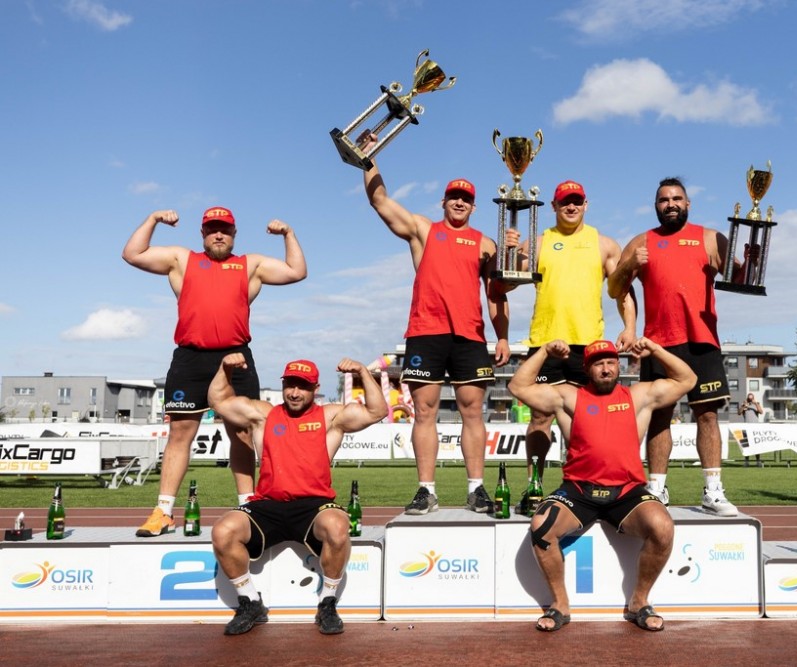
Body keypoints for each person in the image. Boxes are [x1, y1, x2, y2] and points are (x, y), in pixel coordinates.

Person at [122, 207, 307, 537]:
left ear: (234, 234)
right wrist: (152, 220)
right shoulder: (182, 260)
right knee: (180, 433)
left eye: (224, 229)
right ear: (203, 234)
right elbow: (132, 254)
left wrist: (288, 234)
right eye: (211, 229)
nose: (218, 234)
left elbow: (297, 271)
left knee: (242, 433)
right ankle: (163, 512)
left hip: (235, 357)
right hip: (190, 358)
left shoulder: (250, 265)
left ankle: (249, 507)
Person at [508, 338, 696, 632]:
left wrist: (656, 351)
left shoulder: (639, 396)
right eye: (598, 364)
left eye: (610, 363)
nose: (606, 369)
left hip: (626, 492)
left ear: (619, 366)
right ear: (588, 370)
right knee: (542, 526)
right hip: (579, 490)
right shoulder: (570, 397)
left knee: (662, 527)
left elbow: (688, 380)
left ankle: (639, 601)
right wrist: (543, 351)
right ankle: (560, 604)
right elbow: (518, 387)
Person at [362, 150, 510, 515]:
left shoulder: (485, 244)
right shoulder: (423, 230)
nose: (460, 202)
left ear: (473, 207)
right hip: (426, 332)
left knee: (472, 412)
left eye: (466, 199)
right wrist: (369, 160)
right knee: (425, 411)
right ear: (443, 202)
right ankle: (426, 490)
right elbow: (380, 200)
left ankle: (476, 489)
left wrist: (504, 336)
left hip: (469, 335)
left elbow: (497, 294)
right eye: (454, 197)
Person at [208, 354, 387, 636]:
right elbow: (218, 401)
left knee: (338, 527)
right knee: (222, 531)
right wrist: (225, 369)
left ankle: (327, 603)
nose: (294, 392)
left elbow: (377, 411)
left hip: (314, 506)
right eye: (289, 384)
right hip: (268, 505)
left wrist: (363, 372)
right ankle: (250, 601)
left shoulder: (329, 417)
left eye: (302, 386)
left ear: (315, 388)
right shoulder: (264, 415)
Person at [609, 177, 749, 517]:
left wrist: (749, 262)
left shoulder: (711, 238)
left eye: (676, 199)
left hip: (702, 341)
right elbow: (615, 288)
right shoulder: (641, 241)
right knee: (659, 417)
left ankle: (713, 491)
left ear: (688, 204)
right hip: (658, 344)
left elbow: (739, 279)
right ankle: (656, 489)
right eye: (663, 200)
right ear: (656, 206)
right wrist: (629, 267)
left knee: (708, 416)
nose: (670, 204)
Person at [500, 180, 636, 511]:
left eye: (577, 201)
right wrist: (510, 252)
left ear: (586, 205)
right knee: (540, 417)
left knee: (587, 421)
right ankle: (534, 486)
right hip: (546, 342)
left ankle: (585, 485)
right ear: (554, 206)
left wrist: (630, 327)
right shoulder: (539, 242)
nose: (571, 207)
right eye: (565, 202)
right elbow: (506, 284)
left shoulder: (604, 244)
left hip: (588, 347)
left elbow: (621, 289)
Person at [738, 393, 764, 467]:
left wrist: (755, 403)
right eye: (749, 398)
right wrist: (743, 406)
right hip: (746, 428)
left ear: (753, 398)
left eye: (751, 398)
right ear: (747, 398)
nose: (750, 400)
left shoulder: (756, 404)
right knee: (746, 446)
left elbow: (761, 412)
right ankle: (746, 462)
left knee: (756, 445)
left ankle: (758, 461)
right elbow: (739, 413)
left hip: (755, 429)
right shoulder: (744, 404)